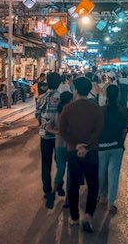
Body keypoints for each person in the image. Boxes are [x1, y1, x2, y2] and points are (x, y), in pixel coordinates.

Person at [58, 77, 104, 232]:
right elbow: (99, 130)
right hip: (91, 152)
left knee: (74, 184)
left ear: (75, 90)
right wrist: (87, 145)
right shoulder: (96, 108)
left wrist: (76, 144)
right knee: (93, 184)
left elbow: (62, 129)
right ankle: (88, 215)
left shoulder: (68, 108)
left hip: (73, 151)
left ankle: (74, 216)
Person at [98, 85, 128, 213]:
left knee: (101, 173)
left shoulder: (100, 110)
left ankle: (102, 196)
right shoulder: (125, 111)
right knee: (114, 174)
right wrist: (120, 142)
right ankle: (111, 203)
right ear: (118, 96)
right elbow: (125, 130)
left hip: (102, 146)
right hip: (117, 146)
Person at [35, 72, 62, 209]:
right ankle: (59, 185)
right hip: (59, 135)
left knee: (46, 163)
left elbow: (37, 114)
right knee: (60, 162)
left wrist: (43, 124)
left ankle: (47, 189)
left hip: (45, 135)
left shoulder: (41, 97)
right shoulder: (62, 98)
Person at [46, 91, 73, 204]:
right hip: (71, 145)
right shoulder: (72, 113)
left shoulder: (57, 113)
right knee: (70, 171)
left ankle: (54, 191)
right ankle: (68, 199)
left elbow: (47, 127)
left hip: (59, 144)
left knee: (60, 169)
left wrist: (57, 132)